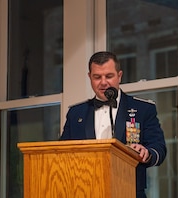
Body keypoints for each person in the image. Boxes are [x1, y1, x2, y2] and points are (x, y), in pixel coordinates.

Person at [60, 51, 167, 198]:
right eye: (97, 77)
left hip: (130, 191)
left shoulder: (143, 109)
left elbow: (159, 148)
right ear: (89, 77)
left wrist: (147, 153)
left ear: (119, 76)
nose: (103, 82)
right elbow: (62, 154)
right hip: (85, 191)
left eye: (109, 76)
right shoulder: (75, 113)